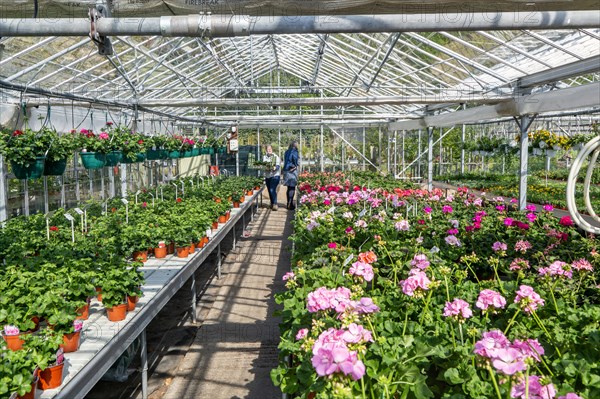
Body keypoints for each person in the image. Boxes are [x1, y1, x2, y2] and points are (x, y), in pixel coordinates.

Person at [263, 145, 281, 210]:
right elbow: (263, 165)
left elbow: (278, 166)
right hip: (268, 176)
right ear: (266, 150)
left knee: (272, 189)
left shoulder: (276, 157)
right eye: (268, 149)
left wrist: (273, 168)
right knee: (269, 190)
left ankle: (275, 204)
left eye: (270, 149)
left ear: (272, 149)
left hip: (275, 176)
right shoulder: (264, 157)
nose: (269, 150)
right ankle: (272, 203)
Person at [283, 141, 299, 210]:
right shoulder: (294, 151)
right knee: (292, 187)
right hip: (292, 170)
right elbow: (295, 159)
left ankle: (288, 203)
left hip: (286, 170)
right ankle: (290, 203)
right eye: (297, 144)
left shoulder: (286, 151)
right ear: (294, 145)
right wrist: (295, 165)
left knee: (288, 187)